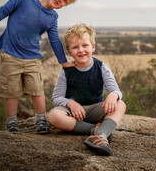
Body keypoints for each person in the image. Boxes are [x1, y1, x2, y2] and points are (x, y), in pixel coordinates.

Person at [0, 0, 81, 134]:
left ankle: (41, 120)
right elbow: (4, 10)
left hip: (33, 59)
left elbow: (54, 40)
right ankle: (11, 122)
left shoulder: (52, 17)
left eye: (65, 0)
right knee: (11, 92)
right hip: (10, 55)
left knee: (37, 90)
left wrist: (63, 61)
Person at [48, 23, 126, 156]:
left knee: (120, 104)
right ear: (69, 51)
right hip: (73, 113)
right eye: (75, 47)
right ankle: (96, 130)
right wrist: (71, 104)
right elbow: (56, 98)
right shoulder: (66, 72)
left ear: (93, 47)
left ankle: (100, 137)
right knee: (54, 116)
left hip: (96, 110)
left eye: (85, 45)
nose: (81, 50)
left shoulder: (101, 67)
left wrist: (113, 95)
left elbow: (116, 91)